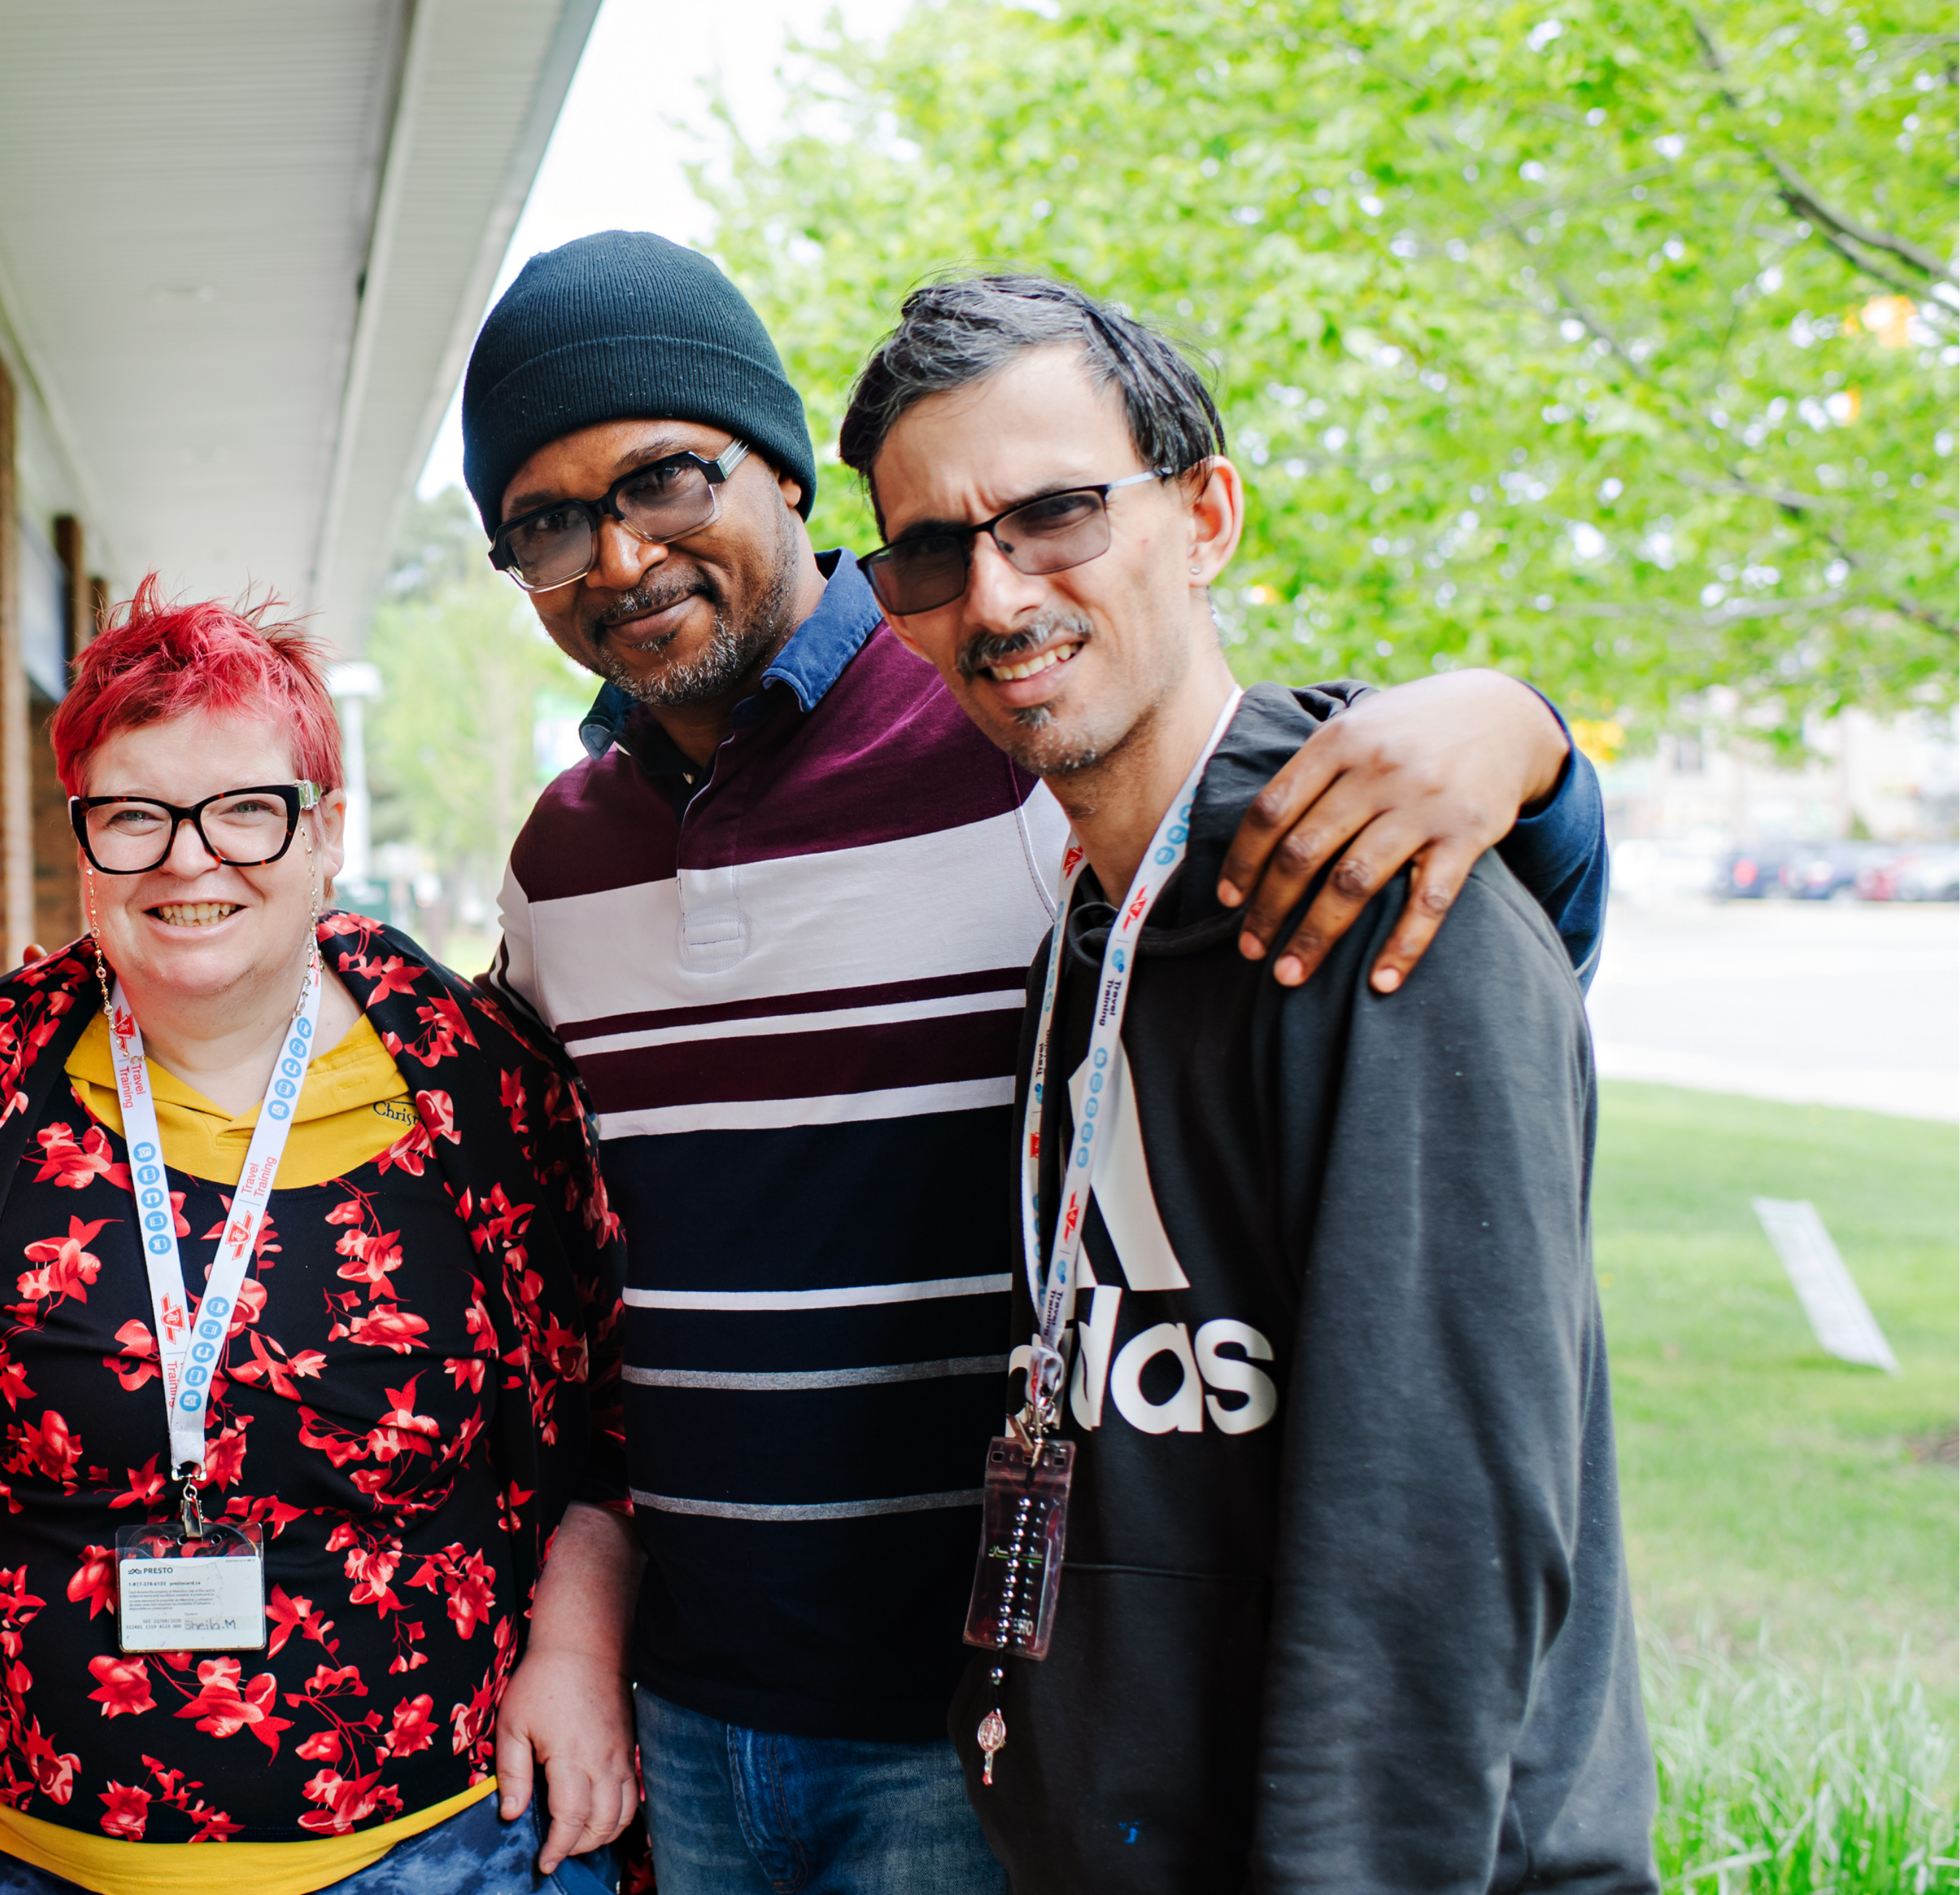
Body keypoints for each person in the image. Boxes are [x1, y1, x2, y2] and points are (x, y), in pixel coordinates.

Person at [458, 230, 1614, 1892]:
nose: (619, 552)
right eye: (548, 524)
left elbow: (1395, 911)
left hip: (992, 1712)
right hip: (706, 1708)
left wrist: (1534, 746)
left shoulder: (1014, 732)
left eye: (661, 477)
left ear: (781, 473)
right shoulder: (557, 860)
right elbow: (566, 1274)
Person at [841, 272, 1651, 1890]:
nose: (995, 597)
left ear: (1203, 515)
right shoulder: (1087, 931)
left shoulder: (1390, 915)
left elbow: (1431, 1551)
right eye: (931, 550)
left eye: (1056, 514)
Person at [0, 588, 636, 1895]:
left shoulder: (481, 1086)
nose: (190, 861)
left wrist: (577, 1657)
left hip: (444, 1851)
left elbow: (604, 1406)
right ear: (81, 840)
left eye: (247, 810)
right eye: (134, 815)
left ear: (327, 833)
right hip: (19, 1858)